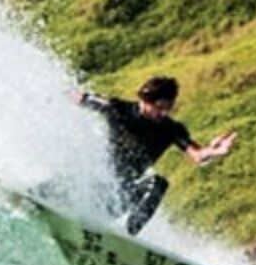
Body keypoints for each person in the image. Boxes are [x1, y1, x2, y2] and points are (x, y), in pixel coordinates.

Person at [73, 75, 237, 234]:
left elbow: (198, 155)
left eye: (168, 108)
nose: (164, 113)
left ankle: (127, 234)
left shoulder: (171, 129)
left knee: (159, 184)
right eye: (160, 108)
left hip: (118, 197)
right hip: (92, 185)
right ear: (145, 100)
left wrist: (213, 150)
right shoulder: (117, 108)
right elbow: (80, 98)